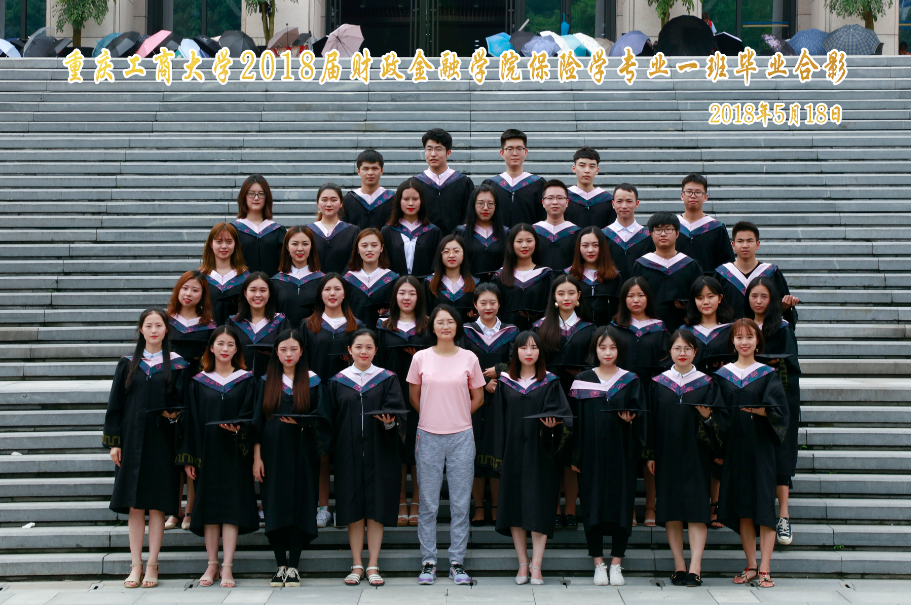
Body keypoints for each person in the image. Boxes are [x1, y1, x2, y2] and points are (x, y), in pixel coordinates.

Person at [104, 309, 190, 589]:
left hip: (161, 440)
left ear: (167, 330)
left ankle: (152, 564)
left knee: (156, 505)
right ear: (141, 330)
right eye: (149, 325)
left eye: (159, 325)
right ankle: (135, 565)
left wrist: (175, 415)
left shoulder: (178, 365)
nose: (154, 330)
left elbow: (183, 403)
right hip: (131, 439)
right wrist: (114, 442)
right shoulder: (128, 364)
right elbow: (115, 405)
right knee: (134, 505)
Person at [406, 305, 486, 586]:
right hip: (428, 434)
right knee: (428, 503)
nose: (445, 326)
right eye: (440, 322)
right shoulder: (420, 358)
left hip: (461, 436)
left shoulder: (469, 358)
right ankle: (428, 561)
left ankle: (456, 562)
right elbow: (414, 396)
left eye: (450, 322)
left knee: (460, 503)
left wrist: (458, 416)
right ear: (432, 327)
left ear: (457, 326)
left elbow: (478, 398)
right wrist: (433, 415)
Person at [486, 331, 572, 585]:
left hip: (541, 454)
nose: (529, 352)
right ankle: (523, 564)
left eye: (534, 347)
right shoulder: (506, 383)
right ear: (515, 352)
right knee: (515, 508)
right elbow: (497, 421)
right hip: (513, 453)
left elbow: (565, 418)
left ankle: (537, 565)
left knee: (539, 507)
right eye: (523, 347)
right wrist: (498, 457)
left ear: (540, 352)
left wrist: (553, 426)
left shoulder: (550, 382)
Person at [325, 329, 407, 587]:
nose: (363, 351)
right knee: (352, 507)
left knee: (376, 507)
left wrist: (389, 422)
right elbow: (330, 419)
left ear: (375, 351)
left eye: (369, 347)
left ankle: (373, 564)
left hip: (379, 452)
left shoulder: (387, 378)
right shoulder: (338, 381)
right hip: (347, 453)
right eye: (358, 347)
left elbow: (397, 416)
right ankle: (356, 564)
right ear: (349, 350)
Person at [178, 325, 259, 588]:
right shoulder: (198, 382)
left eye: (230, 345)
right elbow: (191, 421)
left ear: (237, 350)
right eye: (220, 344)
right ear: (211, 348)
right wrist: (190, 458)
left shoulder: (247, 380)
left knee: (232, 509)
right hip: (207, 454)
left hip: (236, 454)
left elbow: (253, 416)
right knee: (210, 510)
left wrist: (240, 429)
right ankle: (212, 564)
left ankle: (227, 567)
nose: (225, 349)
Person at [646, 330, 727, 587]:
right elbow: (650, 421)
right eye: (677, 348)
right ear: (669, 351)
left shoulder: (707, 383)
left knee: (696, 510)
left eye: (687, 349)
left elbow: (721, 421)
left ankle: (695, 567)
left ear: (695, 352)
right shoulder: (659, 383)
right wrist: (650, 454)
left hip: (697, 454)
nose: (682, 353)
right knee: (671, 510)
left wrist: (707, 418)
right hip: (667, 453)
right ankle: (679, 565)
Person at [570, 326, 646, 587]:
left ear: (619, 350)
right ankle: (598, 564)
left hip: (622, 454)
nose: (608, 352)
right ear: (595, 350)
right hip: (590, 455)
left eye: (612, 347)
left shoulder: (630, 380)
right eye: (602, 347)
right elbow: (575, 422)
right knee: (591, 506)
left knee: (621, 506)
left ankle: (616, 563)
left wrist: (631, 420)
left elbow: (641, 417)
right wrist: (576, 456)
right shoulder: (582, 380)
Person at [715, 318, 789, 589]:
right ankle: (751, 566)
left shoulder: (768, 374)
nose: (744, 342)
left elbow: (781, 412)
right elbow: (719, 414)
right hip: (735, 448)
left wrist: (763, 411)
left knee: (763, 508)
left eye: (749, 337)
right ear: (732, 341)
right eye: (739, 337)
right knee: (744, 509)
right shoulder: (723, 375)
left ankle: (766, 568)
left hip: (761, 448)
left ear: (758, 341)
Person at [252, 330, 326, 589]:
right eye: (283, 349)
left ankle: (294, 564)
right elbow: (257, 422)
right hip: (271, 454)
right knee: (275, 505)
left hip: (303, 453)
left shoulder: (313, 381)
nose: (288, 354)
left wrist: (303, 423)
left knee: (300, 505)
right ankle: (279, 565)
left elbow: (323, 418)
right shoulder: (266, 381)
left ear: (302, 351)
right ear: (276, 352)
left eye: (293, 349)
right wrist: (257, 458)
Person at [300, 273, 364, 527]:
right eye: (327, 289)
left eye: (337, 289)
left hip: (348, 394)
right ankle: (322, 506)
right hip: (316, 394)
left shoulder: (357, 325)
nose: (332, 293)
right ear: (320, 294)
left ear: (345, 293)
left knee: (347, 451)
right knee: (321, 452)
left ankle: (347, 506)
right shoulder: (308, 325)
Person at [532, 275, 595, 529]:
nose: (566, 297)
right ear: (554, 297)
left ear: (579, 296)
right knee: (552, 451)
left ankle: (570, 509)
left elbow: (595, 363)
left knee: (572, 454)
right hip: (548, 395)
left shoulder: (590, 329)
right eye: (561, 293)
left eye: (571, 293)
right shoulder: (540, 328)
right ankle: (554, 508)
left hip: (578, 396)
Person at [745, 276, 801, 546]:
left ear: (773, 300)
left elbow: (792, 369)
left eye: (764, 296)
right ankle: (757, 513)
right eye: (754, 296)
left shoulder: (782, 328)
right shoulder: (741, 328)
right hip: (748, 399)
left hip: (777, 401)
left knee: (780, 457)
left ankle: (783, 516)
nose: (758, 301)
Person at [459, 283, 518, 527]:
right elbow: (458, 362)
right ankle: (479, 507)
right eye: (482, 303)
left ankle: (495, 506)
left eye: (492, 302)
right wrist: (482, 384)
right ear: (475, 305)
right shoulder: (465, 331)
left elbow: (518, 362)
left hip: (502, 398)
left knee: (496, 449)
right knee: (474, 452)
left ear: (499, 304)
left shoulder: (512, 331)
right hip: (472, 398)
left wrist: (500, 373)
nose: (488, 307)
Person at [610, 277, 667, 527]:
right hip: (624, 394)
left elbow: (666, 362)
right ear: (624, 299)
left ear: (648, 298)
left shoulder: (660, 328)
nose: (636, 300)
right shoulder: (615, 327)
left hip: (652, 394)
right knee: (627, 453)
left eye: (641, 295)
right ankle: (629, 507)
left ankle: (651, 506)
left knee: (649, 451)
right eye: (631, 295)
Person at [375, 276, 432, 528]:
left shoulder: (429, 326)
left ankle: (417, 500)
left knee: (420, 448)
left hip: (424, 395)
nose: (406, 298)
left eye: (412, 293)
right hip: (393, 394)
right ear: (394, 297)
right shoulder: (383, 326)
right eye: (401, 293)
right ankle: (399, 500)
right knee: (396, 447)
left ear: (419, 297)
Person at [714, 221, 798, 323]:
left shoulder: (771, 273)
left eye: (750, 241)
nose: (745, 245)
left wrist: (784, 307)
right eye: (740, 241)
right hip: (730, 331)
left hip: (765, 331)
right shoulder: (722, 274)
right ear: (733, 245)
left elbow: (782, 309)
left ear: (757, 245)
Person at [631, 212, 704, 330]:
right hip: (649, 328)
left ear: (678, 233)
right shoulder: (641, 265)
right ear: (650, 234)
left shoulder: (690, 265)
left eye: (668, 229)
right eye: (658, 230)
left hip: (685, 328)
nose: (663, 234)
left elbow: (700, 296)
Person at [226, 272, 291, 377]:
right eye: (253, 290)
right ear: (245, 293)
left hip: (272, 380)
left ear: (270, 293)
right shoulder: (233, 322)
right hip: (239, 382)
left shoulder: (281, 322)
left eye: (263, 290)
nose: (258, 295)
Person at [412, 128, 475, 235]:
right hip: (424, 241)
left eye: (438, 149)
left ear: (448, 152)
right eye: (429, 149)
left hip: (457, 242)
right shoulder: (415, 183)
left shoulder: (463, 183)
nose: (433, 154)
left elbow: (469, 217)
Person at [492, 224, 555, 331]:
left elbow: (550, 308)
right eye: (519, 241)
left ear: (535, 243)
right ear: (511, 244)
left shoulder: (546, 275)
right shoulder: (500, 276)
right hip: (506, 335)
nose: (524, 245)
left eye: (529, 241)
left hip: (539, 334)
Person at [480, 129, 545, 226]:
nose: (515, 153)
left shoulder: (538, 184)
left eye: (519, 148)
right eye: (510, 149)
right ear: (502, 153)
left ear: (525, 152)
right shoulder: (490, 185)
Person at [381, 179, 442, 279]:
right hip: (395, 285)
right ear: (399, 201)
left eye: (415, 199)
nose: (410, 203)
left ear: (421, 201)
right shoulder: (387, 231)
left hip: (424, 286)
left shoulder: (433, 232)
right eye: (406, 199)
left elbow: (436, 266)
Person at [674, 174, 734, 275]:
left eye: (698, 192)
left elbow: (726, 265)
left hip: (708, 283)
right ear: (682, 196)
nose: (693, 196)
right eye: (689, 192)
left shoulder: (716, 228)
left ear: (705, 197)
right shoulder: (672, 227)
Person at [230, 175, 286, 278]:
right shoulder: (233, 230)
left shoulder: (278, 231)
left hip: (271, 286)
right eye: (251, 193)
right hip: (241, 286)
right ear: (244, 196)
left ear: (267, 197)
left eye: (261, 194)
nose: (256, 198)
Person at [343, 228, 400, 330]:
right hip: (354, 333)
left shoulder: (392, 279)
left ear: (381, 248)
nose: (369, 249)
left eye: (374, 245)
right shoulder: (348, 280)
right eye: (364, 246)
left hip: (383, 333)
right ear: (357, 249)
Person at [270, 226, 325, 329]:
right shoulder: (275, 282)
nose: (300, 248)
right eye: (295, 244)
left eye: (305, 244)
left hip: (313, 335)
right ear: (287, 247)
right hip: (284, 336)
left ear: (311, 246)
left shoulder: (322, 281)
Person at [568, 226, 624, 326]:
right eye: (585, 245)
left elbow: (619, 310)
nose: (590, 250)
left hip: (607, 332)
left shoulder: (614, 277)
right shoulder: (570, 275)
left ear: (603, 247)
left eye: (595, 245)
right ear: (578, 248)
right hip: (577, 332)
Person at [453, 184, 508, 281]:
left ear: (496, 206)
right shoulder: (461, 233)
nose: (485, 208)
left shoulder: (505, 233)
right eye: (480, 203)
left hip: (499, 285)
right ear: (473, 205)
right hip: (469, 285)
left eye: (490, 203)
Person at [199, 223, 249, 326]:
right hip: (207, 333)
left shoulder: (246, 278)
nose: (224, 246)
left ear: (235, 244)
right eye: (219, 241)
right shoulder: (200, 278)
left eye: (229, 242)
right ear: (211, 244)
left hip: (237, 333)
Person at [682, 276, 735, 373]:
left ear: (720, 298)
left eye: (710, 296)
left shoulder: (732, 330)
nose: (706, 302)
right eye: (700, 298)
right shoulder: (684, 332)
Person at [167, 270, 217, 369]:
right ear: (178, 289)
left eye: (195, 290)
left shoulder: (209, 326)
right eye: (185, 288)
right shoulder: (165, 321)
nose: (188, 294)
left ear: (202, 295)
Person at [603, 183, 654, 279]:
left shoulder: (648, 236)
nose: (624, 206)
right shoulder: (603, 235)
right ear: (613, 204)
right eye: (619, 201)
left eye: (629, 201)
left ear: (637, 204)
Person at [308, 183, 360, 275]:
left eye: (334, 200)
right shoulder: (308, 231)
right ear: (318, 203)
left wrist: (339, 281)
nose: (329, 204)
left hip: (343, 283)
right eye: (324, 200)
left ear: (341, 203)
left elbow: (354, 261)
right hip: (313, 282)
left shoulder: (352, 231)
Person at [425, 235, 479, 318]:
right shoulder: (430, 283)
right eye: (446, 252)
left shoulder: (475, 284)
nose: (451, 255)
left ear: (464, 254)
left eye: (456, 251)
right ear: (440, 255)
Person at [533, 179, 581, 271]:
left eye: (560, 198)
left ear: (567, 202)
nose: (555, 202)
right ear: (543, 203)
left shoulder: (577, 233)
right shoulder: (533, 232)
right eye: (550, 198)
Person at [343, 149, 395, 229]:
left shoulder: (392, 199)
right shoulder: (348, 200)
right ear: (358, 171)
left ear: (382, 171)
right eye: (366, 169)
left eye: (375, 168)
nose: (370, 173)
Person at [566, 147, 615, 228]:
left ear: (597, 170)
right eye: (582, 165)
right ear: (574, 168)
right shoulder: (564, 199)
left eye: (592, 166)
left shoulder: (608, 201)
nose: (587, 170)